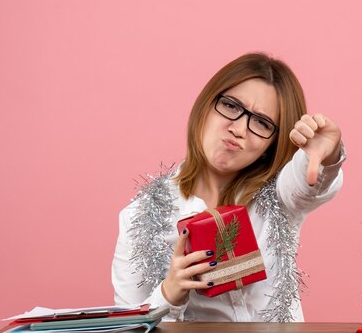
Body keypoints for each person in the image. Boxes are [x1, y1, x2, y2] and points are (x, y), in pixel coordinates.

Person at [112, 52, 345, 322]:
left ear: (273, 144)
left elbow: (309, 184)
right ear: (206, 105)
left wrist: (326, 156)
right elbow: (129, 325)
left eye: (261, 122)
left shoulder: (278, 197)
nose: (239, 129)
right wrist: (169, 294)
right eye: (232, 106)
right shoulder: (139, 217)